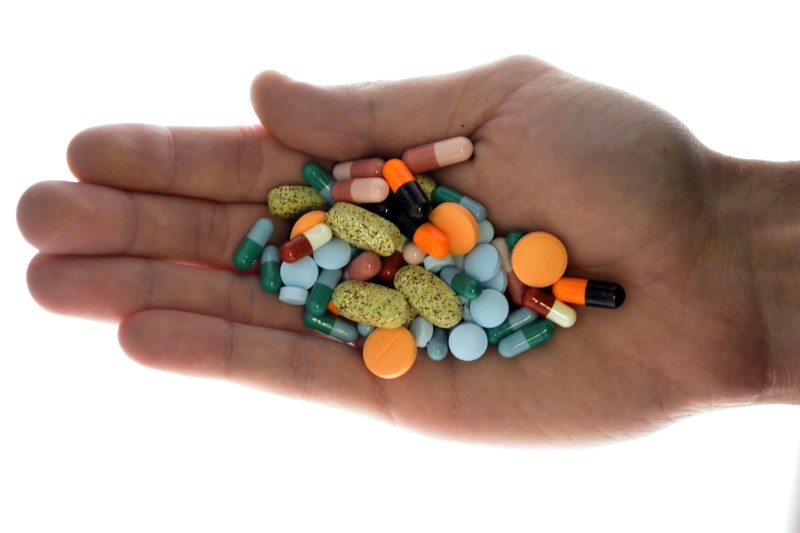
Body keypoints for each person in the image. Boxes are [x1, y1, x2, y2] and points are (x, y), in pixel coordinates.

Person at [16, 56, 799, 444]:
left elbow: (439, 269)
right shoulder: (361, 255)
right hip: (447, 284)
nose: (361, 265)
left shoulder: (443, 261)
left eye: (365, 264)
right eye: (357, 265)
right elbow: (394, 267)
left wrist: (721, 238)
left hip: (465, 277)